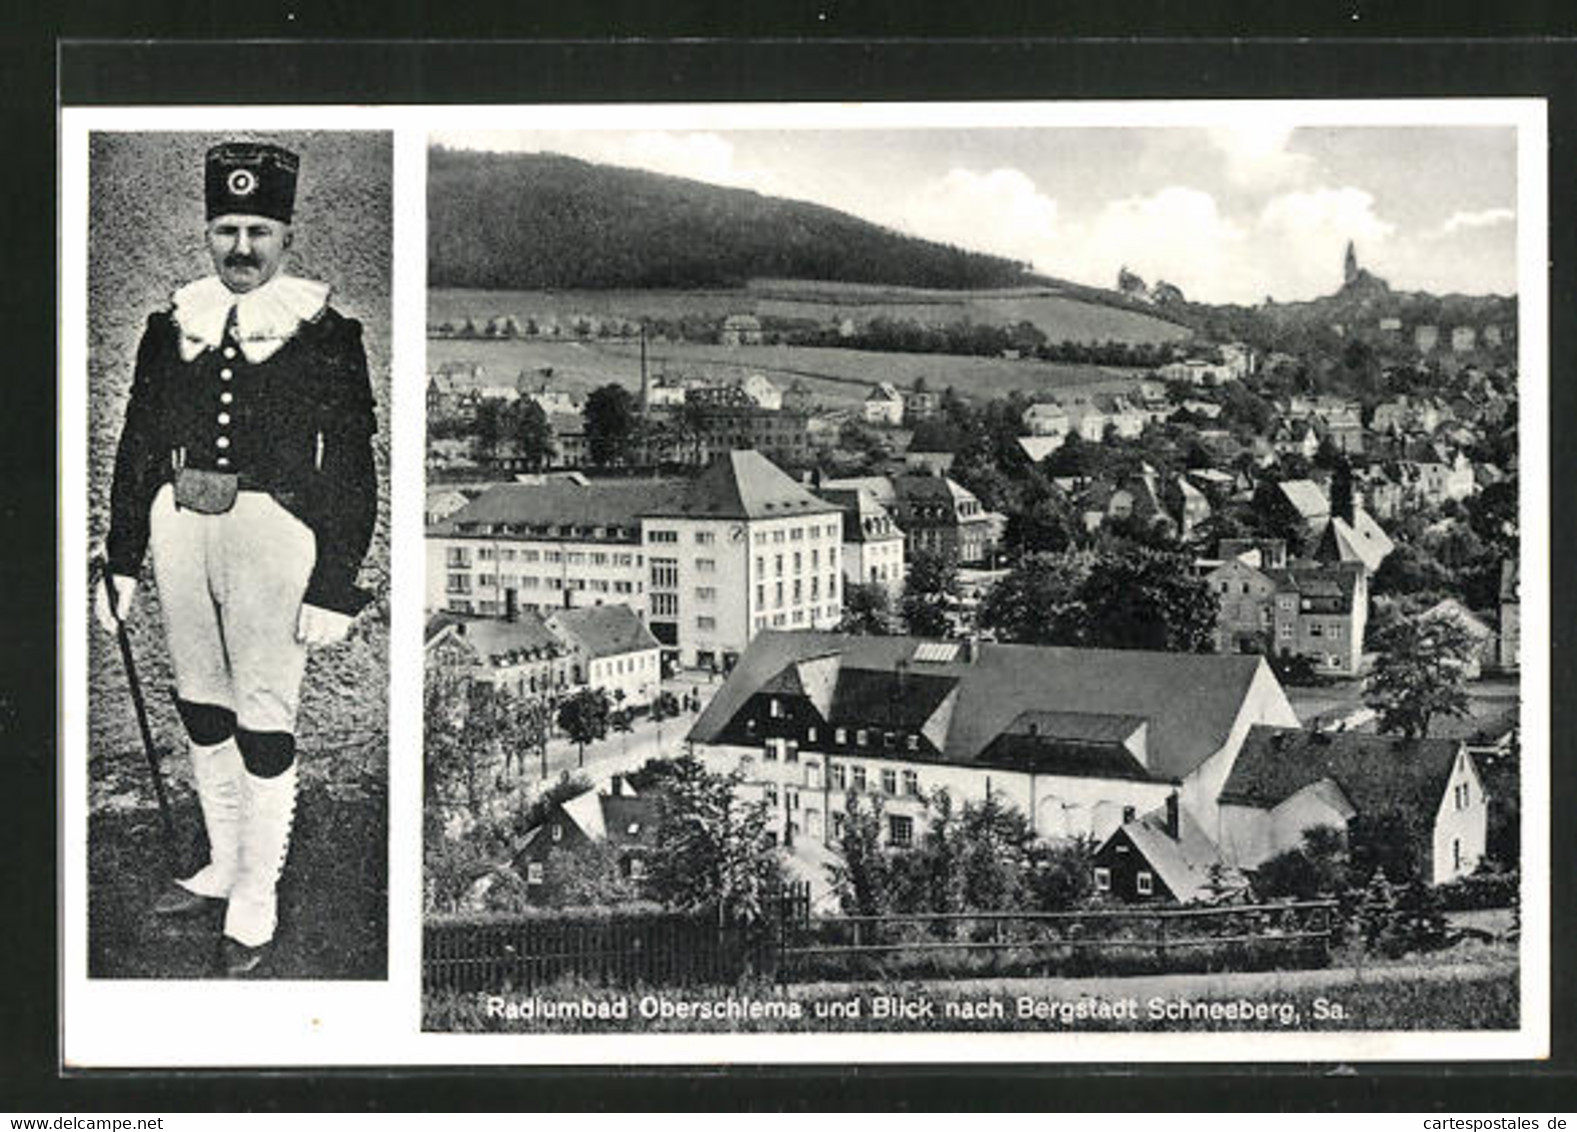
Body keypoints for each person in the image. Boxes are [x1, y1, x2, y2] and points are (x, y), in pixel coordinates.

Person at [95, 141, 378, 977]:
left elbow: (354, 467)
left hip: (274, 536)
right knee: (201, 706)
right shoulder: (169, 325)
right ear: (208, 233)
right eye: (226, 229)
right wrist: (122, 556)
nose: (242, 248)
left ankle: (258, 891)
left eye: (258, 229)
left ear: (285, 235)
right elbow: (138, 442)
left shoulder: (326, 333)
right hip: (180, 524)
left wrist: (335, 582)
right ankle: (222, 862)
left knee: (263, 717)